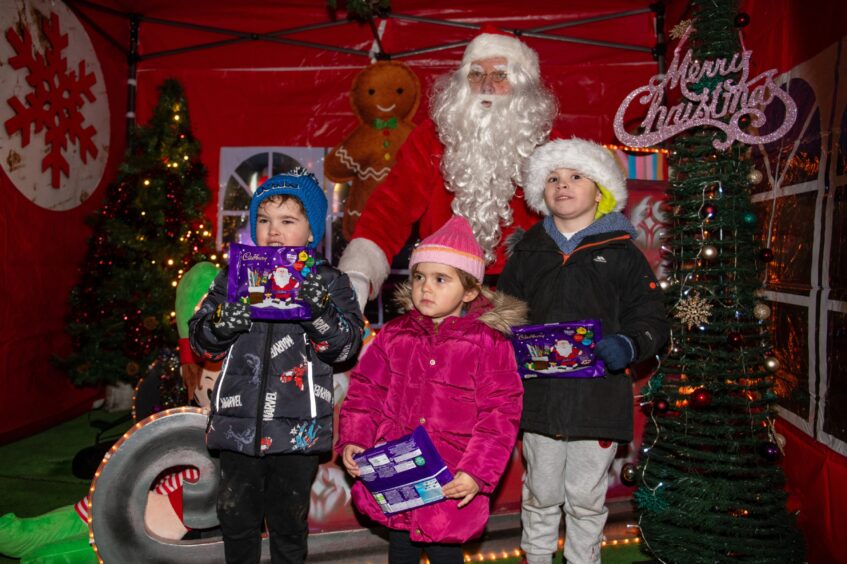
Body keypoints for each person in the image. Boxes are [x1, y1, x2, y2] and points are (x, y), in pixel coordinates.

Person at [497, 139, 669, 564]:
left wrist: (629, 344)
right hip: (541, 402)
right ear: (540, 192)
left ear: (601, 190)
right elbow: (503, 314)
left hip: (598, 402)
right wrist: (504, 347)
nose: (562, 185)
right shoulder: (528, 252)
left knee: (585, 497)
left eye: (576, 176)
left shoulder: (623, 253)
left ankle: (582, 560)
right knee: (541, 492)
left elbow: (652, 318)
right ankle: (535, 557)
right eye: (553, 178)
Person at [189, 170, 364, 564]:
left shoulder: (330, 282)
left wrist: (317, 311)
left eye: (288, 221)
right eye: (264, 220)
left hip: (297, 431)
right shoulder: (233, 276)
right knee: (236, 520)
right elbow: (200, 339)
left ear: (311, 230)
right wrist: (223, 322)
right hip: (237, 426)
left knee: (288, 526)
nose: (273, 231)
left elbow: (346, 348)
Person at [337, 215, 526, 563]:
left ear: (469, 290)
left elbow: (500, 415)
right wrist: (355, 439)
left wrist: (476, 473)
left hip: (450, 481)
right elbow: (366, 392)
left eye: (441, 279)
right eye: (420, 277)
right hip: (398, 477)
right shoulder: (394, 334)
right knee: (401, 550)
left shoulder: (488, 344)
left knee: (444, 554)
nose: (426, 287)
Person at [338, 26, 559, 310]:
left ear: (522, 84)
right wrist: (359, 273)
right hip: (442, 293)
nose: (486, 86)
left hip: (525, 296)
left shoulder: (550, 145)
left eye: (500, 75)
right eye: (476, 74)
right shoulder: (431, 137)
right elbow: (390, 208)